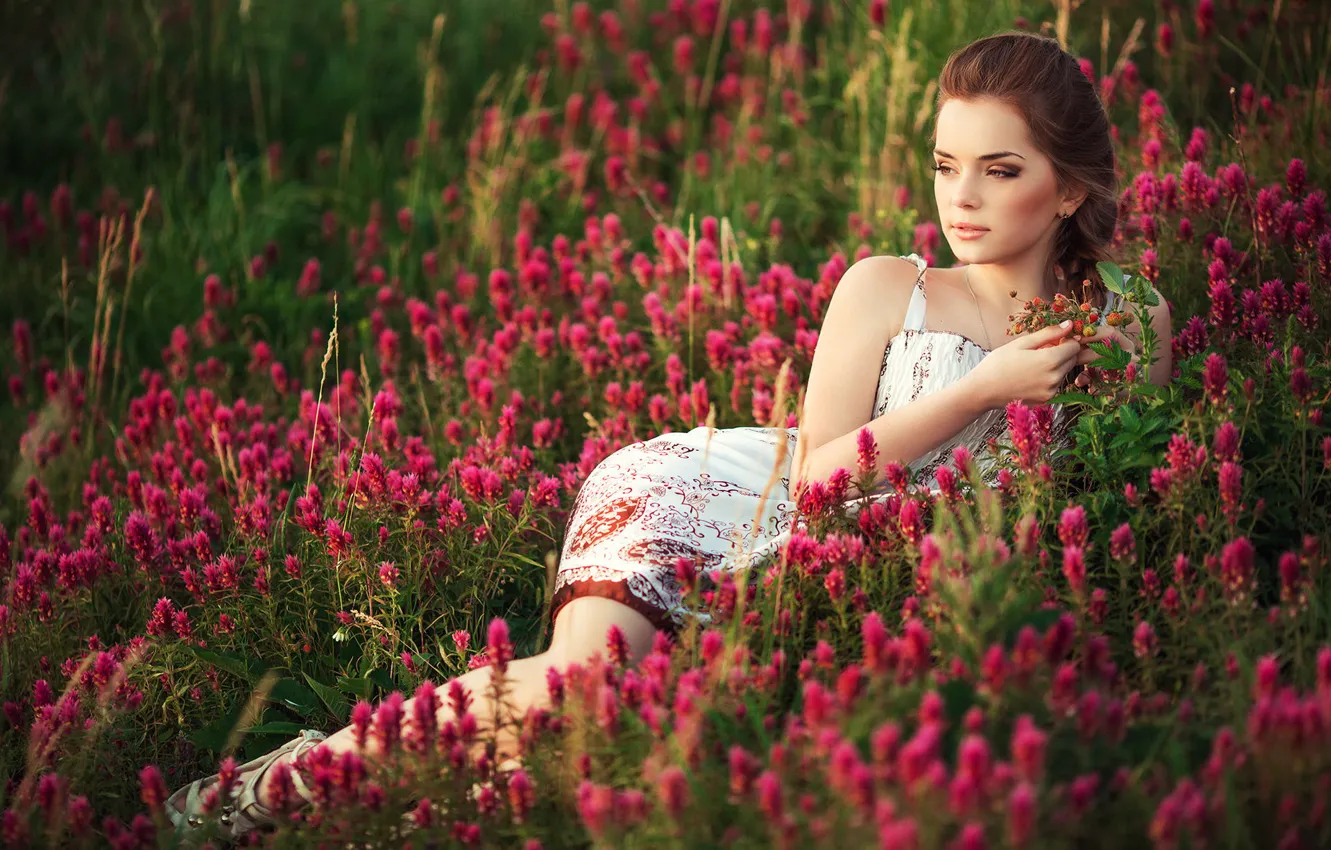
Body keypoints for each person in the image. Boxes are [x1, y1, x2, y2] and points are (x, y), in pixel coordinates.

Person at [166, 29, 1172, 838]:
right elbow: (817, 485)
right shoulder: (889, 287)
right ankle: (281, 780)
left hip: (878, 588)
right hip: (730, 500)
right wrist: (981, 389)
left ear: (1070, 188)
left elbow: (1139, 496)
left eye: (1001, 170)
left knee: (636, 756)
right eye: (948, 164)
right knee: (583, 688)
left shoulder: (1131, 320)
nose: (962, 197)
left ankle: (415, 802)